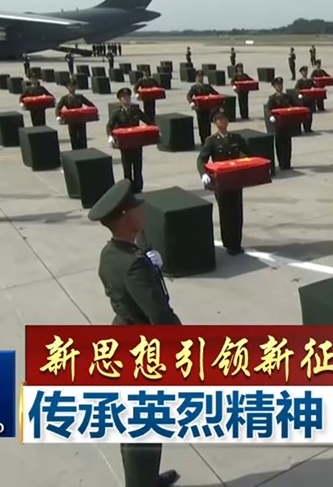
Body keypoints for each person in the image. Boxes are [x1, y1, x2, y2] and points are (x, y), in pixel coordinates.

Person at [90, 180, 182, 487]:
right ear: (125, 217)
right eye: (136, 209)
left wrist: (145, 260)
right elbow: (159, 314)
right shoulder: (133, 265)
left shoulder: (111, 253)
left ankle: (145, 479)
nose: (142, 212)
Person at [197, 110, 249, 256]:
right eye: (220, 119)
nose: (223, 121)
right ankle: (229, 243)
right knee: (226, 213)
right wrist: (204, 174)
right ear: (215, 123)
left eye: (225, 118)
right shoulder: (211, 141)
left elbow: (249, 152)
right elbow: (201, 159)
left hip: (236, 179)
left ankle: (237, 242)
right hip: (221, 181)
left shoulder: (236, 138)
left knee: (237, 211)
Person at [106, 87, 154, 194]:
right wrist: (110, 136)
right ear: (120, 99)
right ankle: (128, 190)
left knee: (138, 167)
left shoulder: (135, 110)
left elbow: (147, 120)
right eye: (124, 97)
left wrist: (155, 129)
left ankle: (138, 188)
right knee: (127, 168)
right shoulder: (117, 113)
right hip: (125, 145)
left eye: (128, 97)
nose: (127, 99)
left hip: (136, 143)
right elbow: (109, 125)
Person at [263, 77, 299, 170]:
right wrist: (270, 116)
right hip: (278, 125)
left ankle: (287, 163)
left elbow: (295, 105)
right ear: (274, 87)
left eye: (281, 85)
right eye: (278, 86)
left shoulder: (287, 97)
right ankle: (281, 163)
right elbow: (268, 109)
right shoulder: (272, 98)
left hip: (287, 124)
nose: (280, 87)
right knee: (279, 145)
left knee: (288, 145)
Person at [55, 81, 96, 150]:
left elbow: (90, 104)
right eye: (70, 87)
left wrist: (90, 112)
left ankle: (84, 150)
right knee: (73, 137)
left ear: (76, 87)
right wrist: (58, 117)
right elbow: (58, 108)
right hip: (71, 120)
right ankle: (75, 151)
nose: (72, 88)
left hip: (81, 119)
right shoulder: (64, 98)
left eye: (73, 86)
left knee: (82, 137)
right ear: (67, 88)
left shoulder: (80, 97)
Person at [186, 71, 220, 143]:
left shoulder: (207, 86)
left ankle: (208, 139)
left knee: (208, 124)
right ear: (196, 78)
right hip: (199, 109)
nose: (200, 78)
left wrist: (215, 99)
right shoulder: (194, 87)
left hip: (207, 108)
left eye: (201, 76)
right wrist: (191, 103)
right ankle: (203, 140)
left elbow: (216, 93)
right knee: (201, 124)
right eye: (199, 77)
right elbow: (189, 96)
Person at [293, 66, 316, 133]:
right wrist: (299, 94)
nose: (305, 73)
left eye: (306, 71)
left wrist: (314, 88)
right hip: (303, 101)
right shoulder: (299, 81)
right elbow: (296, 89)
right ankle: (304, 127)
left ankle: (308, 128)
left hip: (310, 100)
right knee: (304, 115)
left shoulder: (310, 81)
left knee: (310, 115)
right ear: (301, 73)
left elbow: (315, 87)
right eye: (303, 72)